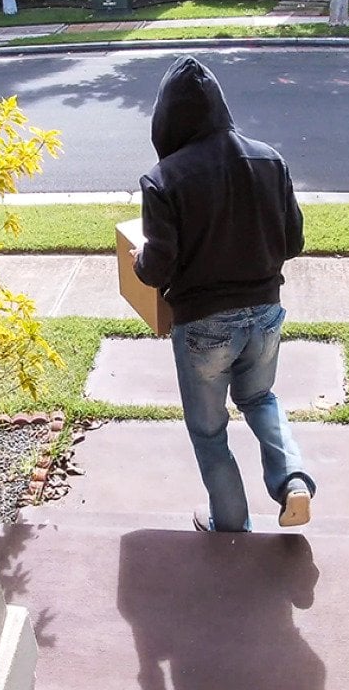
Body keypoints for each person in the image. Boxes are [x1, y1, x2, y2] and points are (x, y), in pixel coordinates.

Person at [131, 56, 315, 533]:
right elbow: (292, 243)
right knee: (260, 398)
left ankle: (231, 523)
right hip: (267, 315)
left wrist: (136, 259)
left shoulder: (163, 179)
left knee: (210, 431)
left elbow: (157, 270)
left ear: (166, 118)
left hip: (204, 325)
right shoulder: (270, 159)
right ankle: (293, 481)